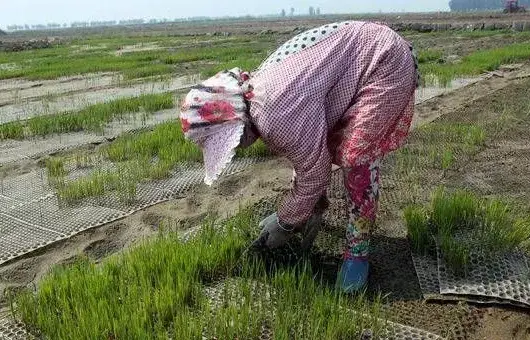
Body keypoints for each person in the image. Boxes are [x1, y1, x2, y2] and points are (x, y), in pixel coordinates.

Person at [179, 20, 419, 293]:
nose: (237, 149)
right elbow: (308, 152)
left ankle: (357, 254)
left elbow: (314, 172)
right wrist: (308, 207)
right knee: (325, 151)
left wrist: (285, 221)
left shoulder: (271, 113)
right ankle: (314, 221)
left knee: (357, 160)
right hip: (362, 52)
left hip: (383, 61)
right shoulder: (258, 92)